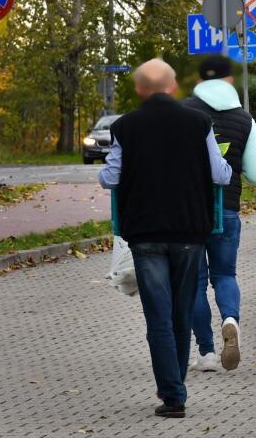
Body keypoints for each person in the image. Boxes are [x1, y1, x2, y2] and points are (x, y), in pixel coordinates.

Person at [99, 59, 232, 418]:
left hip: (145, 234)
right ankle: (175, 386)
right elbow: (219, 174)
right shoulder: (198, 122)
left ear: (140, 89)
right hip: (190, 230)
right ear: (173, 87)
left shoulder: (125, 127)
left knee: (157, 314)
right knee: (181, 310)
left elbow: (111, 177)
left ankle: (173, 394)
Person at [184, 56, 256, 373]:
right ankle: (230, 319)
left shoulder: (184, 113)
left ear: (200, 80)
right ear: (229, 81)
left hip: (189, 211)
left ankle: (206, 353)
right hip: (227, 209)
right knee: (225, 275)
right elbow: (255, 175)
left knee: (195, 282)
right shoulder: (245, 119)